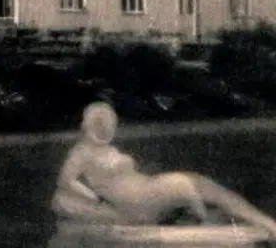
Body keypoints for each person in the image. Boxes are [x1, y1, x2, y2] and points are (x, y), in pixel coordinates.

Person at [52, 101, 276, 236]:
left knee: (203, 184)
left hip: (145, 188)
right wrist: (95, 199)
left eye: (108, 122)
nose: (105, 127)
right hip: (137, 201)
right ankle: (263, 224)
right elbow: (65, 180)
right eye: (99, 123)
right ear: (89, 124)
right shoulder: (82, 152)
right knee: (192, 185)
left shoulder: (107, 149)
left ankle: (264, 223)